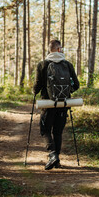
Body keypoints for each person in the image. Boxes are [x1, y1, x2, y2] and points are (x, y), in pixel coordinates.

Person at [33, 39, 80, 170]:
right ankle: (57, 160)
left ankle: (53, 155)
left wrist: (34, 92)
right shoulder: (68, 64)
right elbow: (76, 85)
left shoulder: (42, 64)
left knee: (45, 130)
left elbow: (37, 85)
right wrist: (66, 92)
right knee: (58, 132)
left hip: (48, 103)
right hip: (63, 104)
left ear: (50, 49)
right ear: (59, 49)